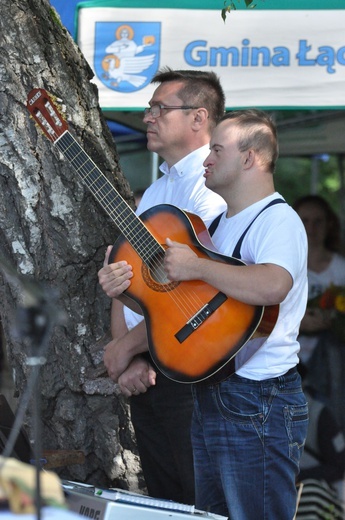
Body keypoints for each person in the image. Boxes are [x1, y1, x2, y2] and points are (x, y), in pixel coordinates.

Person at [99, 109, 309, 519]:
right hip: (215, 392)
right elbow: (185, 310)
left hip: (259, 398)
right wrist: (123, 293)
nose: (207, 159)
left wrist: (197, 266)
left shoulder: (278, 219)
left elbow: (272, 285)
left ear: (250, 158)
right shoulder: (216, 223)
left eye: (217, 149)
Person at [98, 68, 227, 505]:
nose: (148, 116)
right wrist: (127, 354)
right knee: (165, 502)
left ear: (198, 118)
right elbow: (129, 285)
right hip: (146, 369)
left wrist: (129, 348)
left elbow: (196, 300)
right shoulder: (153, 193)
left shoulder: (213, 191)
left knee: (198, 500)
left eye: (160, 108)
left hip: (190, 370)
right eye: (150, 108)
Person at [294, 195, 345, 434]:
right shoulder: (284, 265)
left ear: (329, 225)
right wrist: (300, 323)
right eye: (304, 221)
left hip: (335, 367)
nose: (311, 228)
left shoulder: (340, 267)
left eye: (318, 222)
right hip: (291, 364)